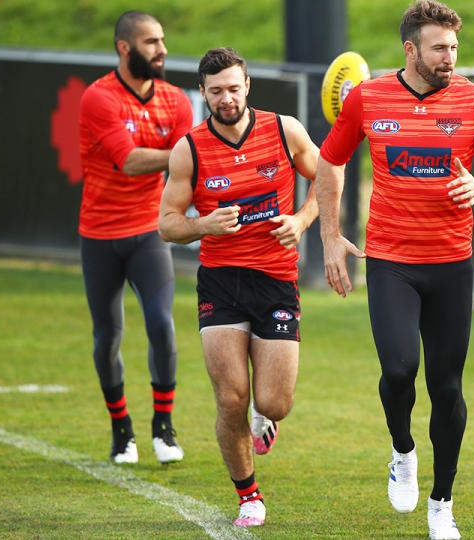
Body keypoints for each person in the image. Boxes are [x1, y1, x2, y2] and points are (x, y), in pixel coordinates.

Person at [316, 2, 474, 537]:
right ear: (410, 50)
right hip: (390, 261)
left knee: (448, 388)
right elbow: (330, 159)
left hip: (452, 263)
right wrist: (329, 235)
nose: (450, 57)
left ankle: (442, 503)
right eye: (439, 48)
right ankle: (402, 449)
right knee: (397, 370)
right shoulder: (367, 97)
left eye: (454, 47)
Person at [158, 47, 320, 527]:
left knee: (273, 402)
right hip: (221, 282)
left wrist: (302, 219)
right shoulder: (189, 148)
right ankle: (249, 495)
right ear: (202, 94)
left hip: (275, 279)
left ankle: (265, 419)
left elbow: (328, 176)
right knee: (230, 397)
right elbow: (168, 224)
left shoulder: (284, 129)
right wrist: (204, 224)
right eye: (215, 91)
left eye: (233, 88)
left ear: (247, 85)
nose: (226, 98)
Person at [78, 10, 192, 465]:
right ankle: (120, 430)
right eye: (151, 42)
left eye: (162, 40)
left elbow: (190, 170)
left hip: (148, 231)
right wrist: (178, 156)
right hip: (100, 234)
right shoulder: (98, 97)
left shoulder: (177, 100)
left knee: (162, 327)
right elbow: (128, 161)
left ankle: (163, 427)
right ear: (125, 49)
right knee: (107, 337)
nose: (162, 50)